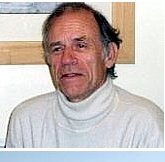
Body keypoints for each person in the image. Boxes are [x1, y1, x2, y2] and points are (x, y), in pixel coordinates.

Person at [5, 2, 163, 148]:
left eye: (80, 46)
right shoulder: (26, 121)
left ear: (109, 55)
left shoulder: (145, 123)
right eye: (57, 49)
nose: (67, 59)